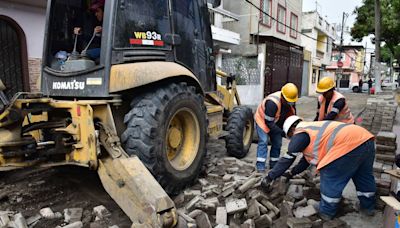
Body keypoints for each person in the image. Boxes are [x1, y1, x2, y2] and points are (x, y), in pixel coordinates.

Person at [261, 115, 376, 220]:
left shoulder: (300, 133)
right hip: (365, 139)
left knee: (330, 174)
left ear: (291, 130)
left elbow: (287, 158)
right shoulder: (313, 130)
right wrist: (291, 173)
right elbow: (305, 162)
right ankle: (368, 207)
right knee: (363, 176)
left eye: (290, 137)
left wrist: (269, 177)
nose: (291, 140)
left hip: (347, 144)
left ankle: (326, 212)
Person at [254, 83, 298, 172]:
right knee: (264, 141)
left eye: (291, 102)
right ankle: (260, 166)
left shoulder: (290, 101)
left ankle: (274, 165)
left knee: (277, 143)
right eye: (288, 101)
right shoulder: (272, 103)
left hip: (276, 121)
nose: (290, 104)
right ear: (282, 96)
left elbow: (292, 116)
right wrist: (282, 133)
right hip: (263, 120)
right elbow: (268, 123)